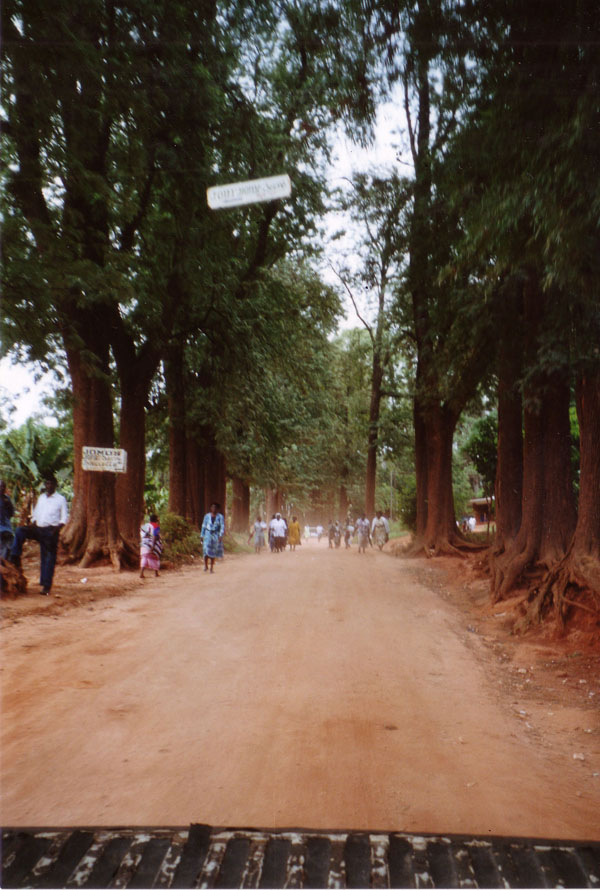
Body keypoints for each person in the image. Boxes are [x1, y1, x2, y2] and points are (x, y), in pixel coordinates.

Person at [10, 475, 69, 595]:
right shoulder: (42, 497)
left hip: (50, 531)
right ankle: (15, 555)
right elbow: (36, 514)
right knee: (20, 531)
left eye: (51, 484)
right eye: (47, 484)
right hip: (38, 529)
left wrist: (56, 530)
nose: (49, 486)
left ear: (55, 485)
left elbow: (64, 518)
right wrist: (33, 524)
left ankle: (46, 586)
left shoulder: (60, 499)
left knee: (48, 558)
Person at [201, 502, 225, 573]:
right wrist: (202, 535)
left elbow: (222, 527)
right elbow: (204, 526)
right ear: (211, 508)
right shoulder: (206, 516)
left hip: (215, 535)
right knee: (205, 550)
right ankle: (205, 566)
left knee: (213, 551)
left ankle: (211, 568)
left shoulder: (220, 517)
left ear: (217, 509)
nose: (214, 509)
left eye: (215, 508)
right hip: (207, 534)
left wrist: (220, 535)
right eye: (212, 507)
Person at [140, 513, 162, 578]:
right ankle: (156, 573)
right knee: (155, 557)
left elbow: (142, 534)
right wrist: (153, 546)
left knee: (144, 558)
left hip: (144, 544)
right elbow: (155, 536)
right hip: (151, 544)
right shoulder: (156, 526)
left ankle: (141, 573)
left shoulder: (145, 526)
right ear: (156, 519)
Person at [0, 480, 15, 561]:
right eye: (0, 486)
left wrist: (8, 504)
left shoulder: (7, 499)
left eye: (3, 486)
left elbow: (11, 514)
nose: (1, 488)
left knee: (9, 551)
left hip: (7, 529)